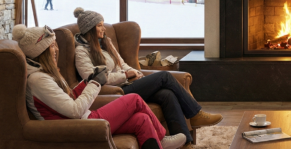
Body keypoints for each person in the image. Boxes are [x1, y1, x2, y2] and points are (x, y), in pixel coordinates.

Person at [14, 24, 186, 149]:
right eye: (52, 46)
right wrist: (96, 83)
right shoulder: (38, 80)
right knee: (134, 99)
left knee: (142, 120)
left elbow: (69, 98)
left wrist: (88, 81)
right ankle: (161, 138)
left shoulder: (44, 74)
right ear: (40, 52)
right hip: (79, 126)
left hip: (81, 120)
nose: (56, 50)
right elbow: (75, 110)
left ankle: (159, 142)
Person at [73, 8, 222, 148]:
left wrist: (135, 73)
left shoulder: (105, 42)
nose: (103, 28)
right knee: (164, 76)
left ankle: (185, 144)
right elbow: (93, 78)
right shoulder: (81, 52)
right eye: (99, 26)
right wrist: (125, 75)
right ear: (89, 29)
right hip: (116, 91)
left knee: (167, 95)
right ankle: (195, 114)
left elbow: (122, 63)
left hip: (128, 83)